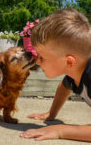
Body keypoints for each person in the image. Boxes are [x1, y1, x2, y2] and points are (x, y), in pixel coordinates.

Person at [20, 9, 91, 142]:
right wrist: (51, 114)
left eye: (42, 57)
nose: (37, 61)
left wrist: (60, 130)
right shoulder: (74, 74)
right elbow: (64, 86)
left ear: (69, 62)